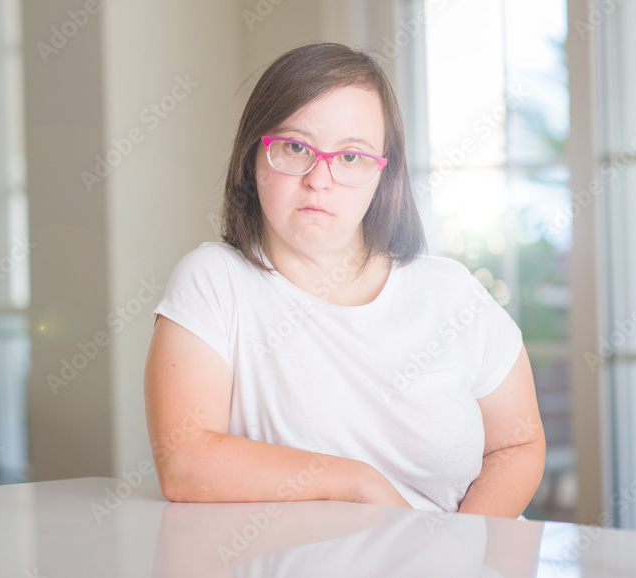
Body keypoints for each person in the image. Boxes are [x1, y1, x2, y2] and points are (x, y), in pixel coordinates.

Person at [144, 42, 545, 519]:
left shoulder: (452, 291)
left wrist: (457, 553)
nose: (320, 178)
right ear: (255, 155)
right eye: (295, 147)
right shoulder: (213, 281)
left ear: (383, 174)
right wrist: (359, 485)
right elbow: (185, 463)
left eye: (351, 157)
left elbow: (516, 445)